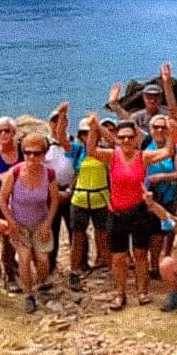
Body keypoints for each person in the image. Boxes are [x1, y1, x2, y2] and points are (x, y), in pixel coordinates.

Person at [86, 115, 177, 310]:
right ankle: (120, 293)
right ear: (117, 139)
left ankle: (142, 291)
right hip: (116, 212)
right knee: (118, 257)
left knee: (140, 254)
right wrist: (94, 128)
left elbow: (170, 151)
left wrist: (173, 130)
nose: (126, 141)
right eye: (122, 137)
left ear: (137, 138)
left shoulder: (143, 157)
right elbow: (91, 150)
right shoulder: (112, 156)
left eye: (130, 137)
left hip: (138, 212)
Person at [0, 132, 59, 313]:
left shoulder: (49, 174)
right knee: (24, 259)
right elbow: (2, 199)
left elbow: (54, 200)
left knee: (42, 260)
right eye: (28, 152)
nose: (32, 157)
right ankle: (28, 295)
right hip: (19, 223)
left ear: (44, 154)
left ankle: (42, 284)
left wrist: (48, 223)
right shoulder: (14, 173)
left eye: (37, 153)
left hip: (40, 222)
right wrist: (11, 222)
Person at [66, 117, 110, 292]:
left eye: (91, 133)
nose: (89, 136)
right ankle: (74, 270)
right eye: (85, 133)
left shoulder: (105, 151)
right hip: (80, 199)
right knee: (78, 237)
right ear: (80, 135)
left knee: (102, 234)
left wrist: (97, 126)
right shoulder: (77, 150)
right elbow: (61, 137)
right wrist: (63, 117)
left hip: (100, 197)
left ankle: (104, 264)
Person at [0, 116, 23, 292]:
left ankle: (15, 264)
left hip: (23, 201)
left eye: (7, 130)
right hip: (3, 202)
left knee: (21, 235)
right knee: (8, 238)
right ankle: (9, 273)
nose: (3, 134)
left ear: (14, 132)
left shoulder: (22, 150)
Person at [143, 113, 177, 276]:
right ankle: (147, 263)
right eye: (156, 127)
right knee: (146, 231)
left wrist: (161, 177)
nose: (159, 130)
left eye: (163, 127)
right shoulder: (145, 146)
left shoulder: (175, 149)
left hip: (166, 194)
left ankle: (155, 265)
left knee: (160, 232)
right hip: (147, 195)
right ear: (150, 129)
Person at [45, 103, 77, 276]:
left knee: (75, 228)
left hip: (70, 190)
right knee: (52, 229)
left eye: (61, 121)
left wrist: (70, 190)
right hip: (51, 192)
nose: (57, 124)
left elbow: (78, 169)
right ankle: (50, 264)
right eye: (54, 121)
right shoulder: (44, 144)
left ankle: (78, 263)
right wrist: (53, 192)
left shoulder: (73, 143)